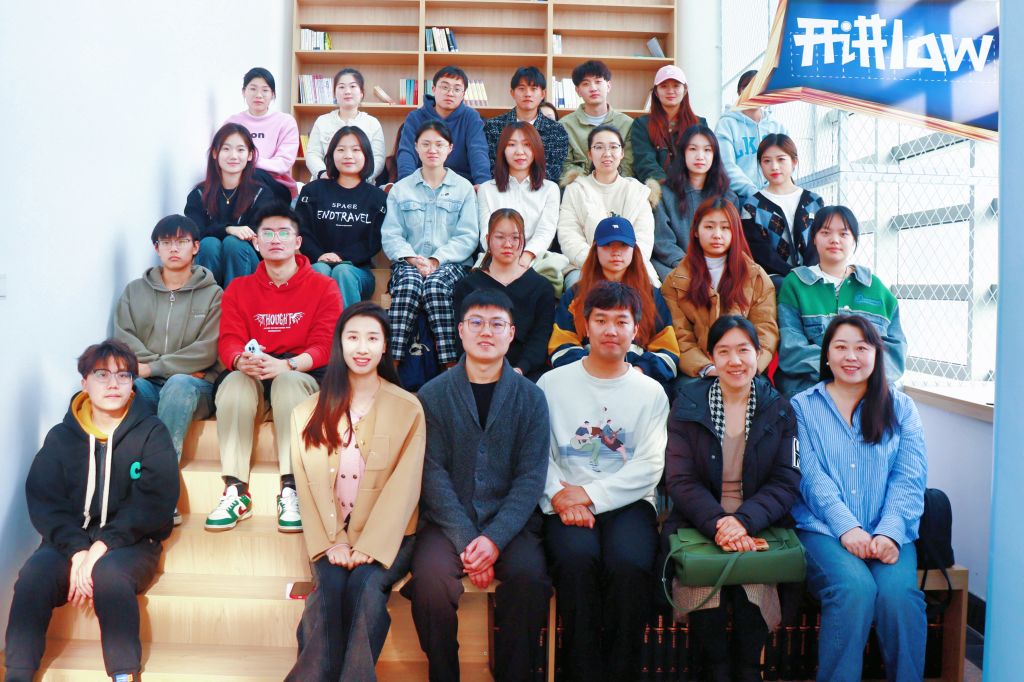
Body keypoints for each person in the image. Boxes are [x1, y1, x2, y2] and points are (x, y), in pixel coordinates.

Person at [5, 340, 178, 682]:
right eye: (102, 375)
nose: (113, 384)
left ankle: (123, 674)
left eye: (123, 375)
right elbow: (45, 500)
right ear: (84, 383)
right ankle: (17, 674)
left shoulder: (151, 432)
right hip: (70, 541)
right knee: (33, 577)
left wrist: (101, 546)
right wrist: (78, 550)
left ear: (133, 384)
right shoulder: (62, 437)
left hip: (132, 543)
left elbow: (155, 501)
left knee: (109, 576)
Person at [402, 289, 552, 682]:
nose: (486, 332)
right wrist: (470, 541)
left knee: (530, 580)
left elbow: (531, 478)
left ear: (511, 333)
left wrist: (494, 540)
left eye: (497, 324)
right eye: (477, 323)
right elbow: (431, 474)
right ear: (460, 331)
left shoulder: (532, 398)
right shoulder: (432, 394)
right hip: (448, 522)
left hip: (512, 525)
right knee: (431, 584)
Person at [286, 302, 425, 682]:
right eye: (353, 338)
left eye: (372, 338)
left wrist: (369, 544)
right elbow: (307, 485)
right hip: (330, 537)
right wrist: (332, 541)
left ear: (385, 346)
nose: (362, 348)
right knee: (328, 590)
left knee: (364, 589)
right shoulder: (306, 412)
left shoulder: (408, 408)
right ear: (340, 344)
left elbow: (405, 486)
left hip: (390, 538)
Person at [538, 281, 670, 682]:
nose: (611, 330)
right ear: (585, 326)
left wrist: (588, 495)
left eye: (621, 321)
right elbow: (537, 454)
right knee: (576, 562)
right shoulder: (552, 384)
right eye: (601, 320)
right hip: (563, 503)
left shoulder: (651, 392)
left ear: (636, 329)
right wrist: (560, 496)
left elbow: (650, 465)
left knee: (630, 565)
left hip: (628, 504)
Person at [663, 316, 801, 682]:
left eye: (743, 350)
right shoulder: (688, 403)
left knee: (754, 586)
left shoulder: (779, 408)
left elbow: (786, 480)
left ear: (758, 354)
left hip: (759, 523)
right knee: (703, 583)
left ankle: (749, 668)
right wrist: (719, 523)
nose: (735, 361)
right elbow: (679, 479)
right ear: (711, 356)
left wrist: (743, 521)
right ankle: (717, 668)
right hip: (700, 522)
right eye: (724, 351)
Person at [791, 315, 927, 682]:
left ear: (876, 354)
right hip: (824, 530)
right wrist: (846, 527)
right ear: (827, 355)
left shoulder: (902, 408)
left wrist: (889, 532)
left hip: (888, 531)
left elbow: (909, 479)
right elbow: (810, 478)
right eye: (841, 347)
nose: (851, 356)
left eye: (861, 348)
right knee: (854, 590)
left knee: (899, 597)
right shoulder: (803, 406)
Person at [205, 205, 342, 533]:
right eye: (267, 233)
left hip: (301, 373)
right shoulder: (239, 289)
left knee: (288, 382)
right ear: (256, 243)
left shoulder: (324, 287)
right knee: (234, 383)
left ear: (298, 242)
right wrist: (240, 360)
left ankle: (292, 487)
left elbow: (326, 346)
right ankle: (235, 490)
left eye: (284, 233)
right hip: (254, 372)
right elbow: (229, 340)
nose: (275, 239)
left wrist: (287, 365)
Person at [114, 214, 221, 525]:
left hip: (195, 387)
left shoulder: (213, 294)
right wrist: (153, 369)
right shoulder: (135, 291)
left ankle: (161, 492)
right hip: (148, 382)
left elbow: (208, 349)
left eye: (182, 241)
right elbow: (124, 337)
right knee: (129, 389)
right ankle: (118, 487)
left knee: (178, 385)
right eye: (166, 242)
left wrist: (155, 367)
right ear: (156, 248)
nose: (174, 248)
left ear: (196, 247)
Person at [776, 206, 907, 397]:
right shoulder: (795, 284)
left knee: (900, 406)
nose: (835, 240)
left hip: (869, 390)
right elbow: (792, 350)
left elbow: (895, 353)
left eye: (844, 234)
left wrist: (860, 379)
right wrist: (841, 374)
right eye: (826, 232)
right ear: (814, 238)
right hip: (812, 390)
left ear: (854, 240)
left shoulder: (876, 288)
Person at [381, 120, 478, 368]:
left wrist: (436, 260)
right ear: (416, 147)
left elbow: (467, 236)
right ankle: (391, 367)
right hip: (409, 262)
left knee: (435, 286)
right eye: (425, 144)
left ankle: (451, 367)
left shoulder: (464, 188)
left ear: (450, 148)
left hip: (451, 264)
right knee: (409, 285)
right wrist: (413, 259)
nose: (432, 150)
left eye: (439, 144)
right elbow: (391, 235)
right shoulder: (401, 189)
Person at [549, 217, 679, 390]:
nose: (616, 252)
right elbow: (561, 347)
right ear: (595, 249)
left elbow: (668, 352)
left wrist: (638, 371)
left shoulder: (651, 296)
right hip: (585, 383)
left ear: (634, 250)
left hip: (638, 383)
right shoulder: (576, 295)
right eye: (608, 245)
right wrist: (593, 371)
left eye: (623, 245)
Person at [661, 198, 778, 388]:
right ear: (696, 231)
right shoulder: (675, 282)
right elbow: (680, 336)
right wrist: (707, 367)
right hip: (698, 374)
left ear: (735, 231)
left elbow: (766, 330)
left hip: (746, 369)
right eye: (709, 227)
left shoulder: (755, 276)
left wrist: (748, 366)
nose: (717, 235)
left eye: (725, 228)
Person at [454, 209, 557, 380]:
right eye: (500, 237)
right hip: (477, 372)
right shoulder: (468, 286)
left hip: (526, 374)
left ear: (523, 240)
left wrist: (520, 369)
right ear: (488, 239)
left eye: (515, 238)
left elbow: (540, 339)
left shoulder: (541, 287)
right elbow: (462, 338)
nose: (508, 244)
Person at [296, 126, 387, 308]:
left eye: (356, 150)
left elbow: (374, 241)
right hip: (317, 263)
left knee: (343, 271)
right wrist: (320, 256)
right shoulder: (312, 191)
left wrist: (340, 256)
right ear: (331, 155)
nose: (348, 155)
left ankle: (348, 326)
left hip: (358, 271)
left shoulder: (377, 197)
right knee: (319, 270)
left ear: (366, 156)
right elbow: (301, 231)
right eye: (341, 149)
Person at [558, 124, 658, 287]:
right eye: (599, 147)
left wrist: (622, 265)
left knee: (646, 291)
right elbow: (569, 235)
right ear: (589, 154)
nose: (607, 153)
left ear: (622, 152)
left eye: (613, 147)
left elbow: (644, 239)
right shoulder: (576, 189)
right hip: (585, 266)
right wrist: (598, 263)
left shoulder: (637, 191)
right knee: (578, 287)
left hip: (631, 266)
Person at [185, 122, 276, 287]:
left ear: (250, 155)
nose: (233, 156)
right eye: (226, 149)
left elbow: (264, 234)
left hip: (251, 268)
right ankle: (209, 300)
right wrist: (228, 229)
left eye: (240, 150)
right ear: (215, 153)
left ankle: (238, 301)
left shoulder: (262, 194)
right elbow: (194, 234)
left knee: (234, 244)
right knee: (208, 244)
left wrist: (233, 234)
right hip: (209, 257)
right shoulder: (199, 194)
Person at [653, 124, 738, 280]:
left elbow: (734, 241)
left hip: (717, 267)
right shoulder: (664, 193)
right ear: (683, 153)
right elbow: (662, 241)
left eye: (707, 150)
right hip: (677, 268)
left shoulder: (728, 197)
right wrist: (690, 266)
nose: (700, 156)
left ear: (715, 155)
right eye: (693, 149)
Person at [740, 134, 824, 283]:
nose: (774, 166)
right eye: (767, 161)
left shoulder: (814, 202)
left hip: (814, 280)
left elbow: (819, 243)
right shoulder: (751, 206)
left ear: (794, 161)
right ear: (760, 165)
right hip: (774, 283)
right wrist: (793, 277)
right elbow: (761, 253)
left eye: (781, 159)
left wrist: (807, 276)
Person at [477, 121, 560, 270]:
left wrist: (526, 256)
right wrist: (504, 258)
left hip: (534, 261)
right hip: (495, 261)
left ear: (536, 149)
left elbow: (545, 232)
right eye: (511, 144)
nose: (519, 151)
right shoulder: (486, 189)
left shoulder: (550, 189)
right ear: (502, 150)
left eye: (527, 145)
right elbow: (486, 233)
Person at [396, 66, 490, 186]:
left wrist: (482, 185)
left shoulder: (471, 117)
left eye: (457, 89)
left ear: (463, 94)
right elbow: (407, 152)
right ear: (434, 89)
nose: (450, 93)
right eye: (445, 87)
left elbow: (478, 151)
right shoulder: (415, 117)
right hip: (423, 182)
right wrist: (406, 184)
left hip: (461, 183)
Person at [224, 67, 300, 199]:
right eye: (253, 89)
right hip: (238, 181)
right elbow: (222, 154)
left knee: (255, 175)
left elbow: (283, 163)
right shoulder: (233, 122)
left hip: (277, 184)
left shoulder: (285, 121)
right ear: (244, 92)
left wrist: (249, 161)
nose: (259, 95)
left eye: (265, 90)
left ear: (273, 94)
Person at [484, 66, 569, 182]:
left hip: (541, 188)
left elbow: (554, 169)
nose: (528, 94)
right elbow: (491, 165)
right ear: (512, 93)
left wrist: (526, 184)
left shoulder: (556, 130)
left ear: (543, 94)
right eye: (521, 88)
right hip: (502, 187)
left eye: (533, 89)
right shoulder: (493, 126)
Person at [715, 69, 788, 202]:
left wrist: (771, 192)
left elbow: (787, 162)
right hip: (739, 197)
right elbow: (726, 165)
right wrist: (755, 193)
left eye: (759, 87)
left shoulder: (777, 127)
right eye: (748, 87)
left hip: (774, 195)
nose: (754, 92)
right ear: (739, 92)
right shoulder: (727, 124)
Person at [305, 68, 386, 184]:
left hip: (362, 185)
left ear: (361, 93)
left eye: (352, 86)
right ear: (334, 93)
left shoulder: (372, 123)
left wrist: (362, 178)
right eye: (341, 87)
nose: (347, 91)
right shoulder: (322, 121)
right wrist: (323, 174)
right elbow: (313, 154)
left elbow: (378, 158)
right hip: (326, 183)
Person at [559, 60, 636, 182]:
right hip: (580, 186)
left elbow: (628, 165)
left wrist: (609, 184)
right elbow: (565, 164)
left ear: (608, 86)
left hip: (618, 186)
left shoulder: (627, 124)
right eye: (586, 84)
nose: (593, 88)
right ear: (578, 91)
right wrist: (592, 184)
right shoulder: (564, 125)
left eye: (598, 82)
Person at [631, 65, 705, 186]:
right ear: (656, 92)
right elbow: (645, 161)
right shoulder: (641, 124)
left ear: (685, 90)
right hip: (655, 188)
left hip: (691, 187)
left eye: (676, 85)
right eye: (664, 86)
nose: (670, 91)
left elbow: (703, 160)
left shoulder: (699, 124)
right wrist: (666, 187)